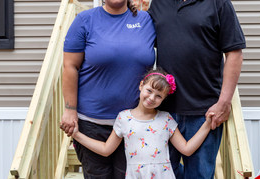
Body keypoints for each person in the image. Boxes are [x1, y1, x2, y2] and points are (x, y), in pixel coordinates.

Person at [148, 0, 246, 179]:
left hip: (205, 112)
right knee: (162, 174)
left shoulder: (218, 2)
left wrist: (223, 102)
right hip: (164, 109)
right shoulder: (159, 2)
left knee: (200, 175)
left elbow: (234, 53)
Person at [60, 0, 156, 178]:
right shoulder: (85, 21)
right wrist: (69, 109)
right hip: (92, 124)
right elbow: (70, 66)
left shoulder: (145, 21)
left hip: (134, 123)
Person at [72, 68, 214, 179]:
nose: (152, 98)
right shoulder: (124, 118)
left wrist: (207, 125)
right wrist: (76, 135)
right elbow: (105, 149)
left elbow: (187, 149)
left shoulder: (166, 120)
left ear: (164, 99)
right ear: (141, 86)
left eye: (158, 96)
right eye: (149, 91)